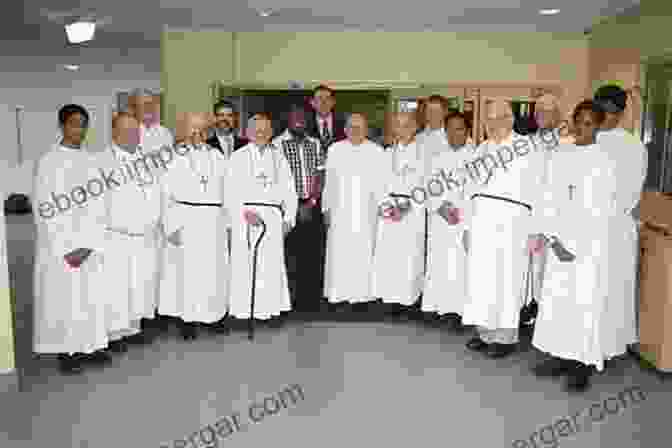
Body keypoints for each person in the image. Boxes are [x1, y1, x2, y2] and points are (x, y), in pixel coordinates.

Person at [528, 100, 619, 392]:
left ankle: (580, 365)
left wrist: (574, 246)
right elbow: (547, 198)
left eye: (589, 123)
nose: (582, 127)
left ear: (600, 126)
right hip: (558, 243)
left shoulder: (604, 161)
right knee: (556, 302)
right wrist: (552, 239)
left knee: (582, 304)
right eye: (578, 121)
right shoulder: (560, 155)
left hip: (587, 249)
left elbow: (599, 211)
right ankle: (557, 356)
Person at [461, 99, 545, 358]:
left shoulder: (529, 148)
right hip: (481, 221)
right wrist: (466, 226)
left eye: (500, 118)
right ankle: (485, 333)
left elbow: (540, 191)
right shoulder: (481, 149)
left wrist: (535, 230)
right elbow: (468, 190)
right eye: (490, 119)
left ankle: (505, 337)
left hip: (513, 224)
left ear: (510, 119)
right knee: (482, 279)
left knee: (506, 281)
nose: (493, 123)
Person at [33, 104, 110, 374]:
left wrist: (91, 242)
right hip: (64, 246)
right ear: (62, 126)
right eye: (75, 123)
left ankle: (89, 346)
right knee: (67, 300)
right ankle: (68, 351)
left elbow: (101, 203)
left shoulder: (91, 160)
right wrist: (67, 247)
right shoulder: (49, 161)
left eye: (83, 124)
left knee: (90, 298)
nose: (79, 129)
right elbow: (45, 208)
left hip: (89, 242)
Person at [159, 112, 230, 339]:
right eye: (193, 130)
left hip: (214, 221)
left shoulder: (218, 156)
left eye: (202, 130)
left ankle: (213, 316)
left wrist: (228, 225)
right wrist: (170, 227)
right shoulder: (173, 157)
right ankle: (186, 319)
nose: (197, 135)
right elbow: (164, 195)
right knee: (187, 273)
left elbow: (228, 193)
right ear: (184, 131)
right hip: (185, 219)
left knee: (213, 271)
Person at [97, 113, 163, 351]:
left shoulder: (148, 161)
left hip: (145, 237)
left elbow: (158, 193)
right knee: (117, 288)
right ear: (114, 132)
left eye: (135, 131)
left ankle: (133, 328)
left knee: (140, 285)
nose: (132, 135)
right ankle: (114, 334)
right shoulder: (101, 161)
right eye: (126, 130)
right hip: (116, 237)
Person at [592, 84, 648, 364]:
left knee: (608, 294)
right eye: (601, 109)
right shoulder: (584, 138)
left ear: (622, 112)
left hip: (613, 229)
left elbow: (628, 194)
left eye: (612, 112)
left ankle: (601, 352)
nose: (606, 116)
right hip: (584, 230)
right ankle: (574, 352)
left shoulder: (631, 146)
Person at [224, 113, 297, 326]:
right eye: (257, 129)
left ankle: (270, 310)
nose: (261, 133)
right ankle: (245, 312)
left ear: (271, 132)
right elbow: (229, 191)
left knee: (272, 266)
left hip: (273, 218)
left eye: (265, 130)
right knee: (245, 266)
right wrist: (242, 213)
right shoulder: (237, 157)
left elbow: (289, 190)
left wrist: (288, 219)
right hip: (245, 218)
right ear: (247, 132)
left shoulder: (279, 158)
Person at [322, 113, 388, 311]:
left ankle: (363, 298)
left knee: (365, 255)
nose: (356, 131)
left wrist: (383, 208)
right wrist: (326, 209)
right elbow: (330, 183)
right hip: (340, 213)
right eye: (352, 127)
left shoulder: (377, 151)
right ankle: (339, 296)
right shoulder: (335, 150)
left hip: (367, 214)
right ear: (345, 129)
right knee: (340, 255)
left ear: (367, 130)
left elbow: (382, 185)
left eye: (360, 127)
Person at [422, 111, 475, 330]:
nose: (454, 134)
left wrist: (462, 212)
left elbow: (477, 191)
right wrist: (440, 207)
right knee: (441, 265)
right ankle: (440, 308)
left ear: (467, 131)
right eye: (450, 129)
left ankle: (460, 311)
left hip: (464, 219)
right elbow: (427, 187)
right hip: (441, 219)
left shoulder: (476, 156)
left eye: (459, 128)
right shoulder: (436, 157)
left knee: (462, 267)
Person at [127, 88, 174, 334]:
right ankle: (139, 318)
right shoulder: (127, 132)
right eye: (142, 105)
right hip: (136, 208)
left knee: (162, 263)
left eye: (151, 105)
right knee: (139, 267)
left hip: (162, 202)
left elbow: (169, 169)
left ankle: (158, 311)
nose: (148, 110)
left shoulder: (164, 133)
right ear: (132, 108)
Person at [371, 112, 427, 316]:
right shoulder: (386, 154)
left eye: (406, 125)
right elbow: (378, 185)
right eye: (398, 126)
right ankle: (390, 300)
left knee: (410, 257)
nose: (402, 130)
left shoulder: (424, 154)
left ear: (414, 127)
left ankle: (409, 300)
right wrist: (387, 206)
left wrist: (405, 207)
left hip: (412, 211)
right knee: (390, 257)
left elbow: (429, 187)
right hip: (389, 209)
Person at [272, 103, 325, 316]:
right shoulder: (276, 144)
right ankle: (289, 303)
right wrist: (294, 207)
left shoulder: (315, 143)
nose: (299, 120)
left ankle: (310, 302)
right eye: (295, 116)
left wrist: (311, 201)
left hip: (311, 207)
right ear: (288, 119)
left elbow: (320, 175)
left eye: (303, 117)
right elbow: (277, 182)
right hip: (287, 210)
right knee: (288, 258)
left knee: (312, 257)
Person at [307, 85, 346, 153]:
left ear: (333, 102)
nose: (324, 102)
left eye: (328, 98)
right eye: (320, 98)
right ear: (312, 103)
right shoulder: (305, 124)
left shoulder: (345, 122)